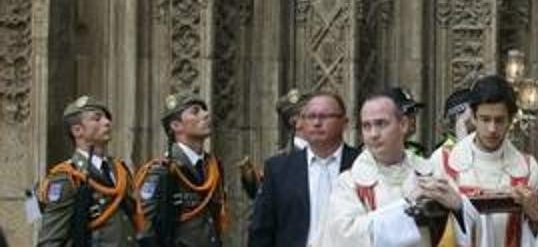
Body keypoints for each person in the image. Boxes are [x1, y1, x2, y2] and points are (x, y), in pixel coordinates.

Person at [319, 89, 474, 247]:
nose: (373, 134)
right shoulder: (349, 184)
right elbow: (346, 237)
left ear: (403, 124)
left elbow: (469, 231)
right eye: (366, 126)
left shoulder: (430, 171)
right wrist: (406, 206)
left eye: (381, 124)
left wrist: (459, 207)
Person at [434, 75, 538, 247]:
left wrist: (535, 216)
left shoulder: (527, 169)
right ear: (473, 117)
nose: (492, 129)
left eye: (499, 120)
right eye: (485, 119)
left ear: (511, 119)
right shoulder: (444, 162)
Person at [249, 91, 361, 247]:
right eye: (310, 117)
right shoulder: (278, 169)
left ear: (345, 122)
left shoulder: (362, 165)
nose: (316, 122)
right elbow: (261, 231)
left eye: (325, 116)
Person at [36, 96, 136, 245]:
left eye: (107, 118)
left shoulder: (119, 170)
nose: (107, 122)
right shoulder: (66, 177)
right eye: (97, 119)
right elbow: (50, 241)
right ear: (77, 130)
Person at [134, 93, 228, 246]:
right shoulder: (161, 171)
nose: (206, 115)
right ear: (176, 125)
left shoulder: (213, 168)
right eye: (195, 111)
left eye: (204, 110)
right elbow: (146, 230)